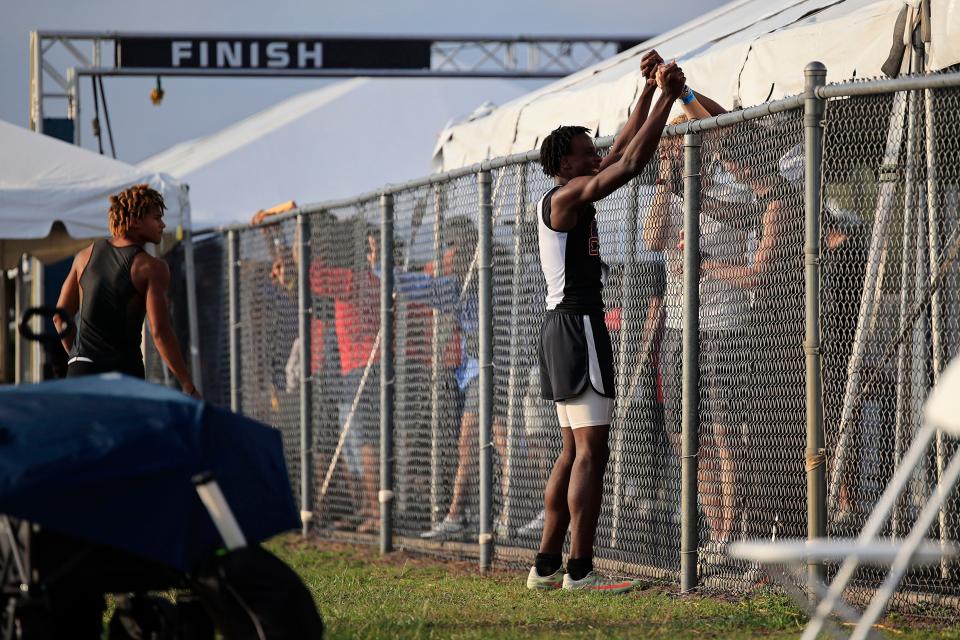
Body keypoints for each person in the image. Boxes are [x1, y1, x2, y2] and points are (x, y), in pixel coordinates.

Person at [526, 52, 686, 593]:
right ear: (565, 165)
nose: (595, 153)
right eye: (584, 151)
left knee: (572, 450)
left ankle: (546, 566)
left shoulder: (562, 189)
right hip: (578, 327)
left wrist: (644, 91)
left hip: (558, 328)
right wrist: (669, 97)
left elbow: (618, 150)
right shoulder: (569, 196)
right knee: (592, 452)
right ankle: (580, 569)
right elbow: (630, 165)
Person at [54, 184, 199, 397]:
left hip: (80, 372)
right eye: (156, 218)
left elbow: (60, 317)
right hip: (122, 375)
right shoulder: (152, 267)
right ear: (135, 221)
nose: (162, 224)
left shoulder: (84, 257)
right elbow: (160, 331)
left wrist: (78, 357)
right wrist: (187, 383)